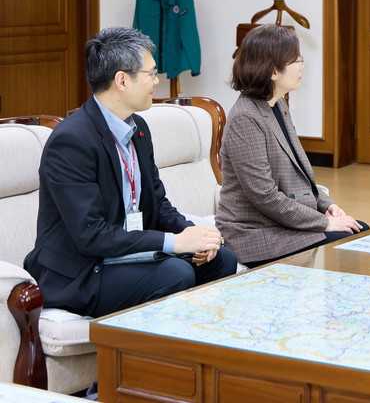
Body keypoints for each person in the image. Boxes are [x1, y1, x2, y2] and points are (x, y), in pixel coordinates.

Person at [24, 27, 237, 318]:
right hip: (82, 270)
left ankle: (197, 339)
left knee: (221, 259)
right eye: (151, 73)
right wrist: (175, 243)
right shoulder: (72, 141)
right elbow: (91, 235)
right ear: (122, 80)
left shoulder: (138, 129)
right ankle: (147, 347)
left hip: (125, 253)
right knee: (175, 273)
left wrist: (191, 234)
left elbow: (157, 203)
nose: (157, 81)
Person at [217, 25, 365, 268]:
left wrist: (328, 206)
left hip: (280, 225)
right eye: (296, 60)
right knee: (351, 239)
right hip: (256, 234)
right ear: (274, 71)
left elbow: (299, 179)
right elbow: (264, 196)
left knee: (359, 231)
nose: (301, 66)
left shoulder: (277, 105)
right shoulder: (245, 118)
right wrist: (324, 223)